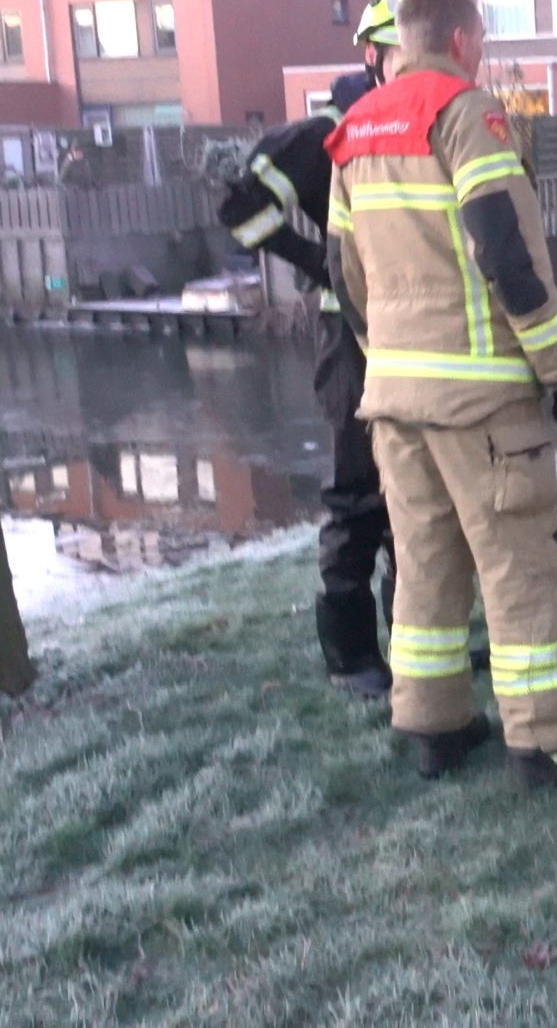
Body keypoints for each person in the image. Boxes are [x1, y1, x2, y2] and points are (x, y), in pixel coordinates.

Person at [326, 0, 557, 784]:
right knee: (518, 564)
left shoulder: (353, 129)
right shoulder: (467, 115)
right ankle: (545, 737)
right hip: (481, 396)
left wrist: (386, 353)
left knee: (425, 562)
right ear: (463, 40)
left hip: (393, 395)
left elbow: (342, 269)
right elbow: (505, 253)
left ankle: (434, 724)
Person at [216, 61, 393, 699]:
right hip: (348, 337)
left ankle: (421, 644)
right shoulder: (327, 132)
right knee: (357, 488)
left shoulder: (405, 129)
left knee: (416, 491)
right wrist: (316, 260)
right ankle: (351, 659)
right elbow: (239, 205)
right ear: (378, 60)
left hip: (402, 328)